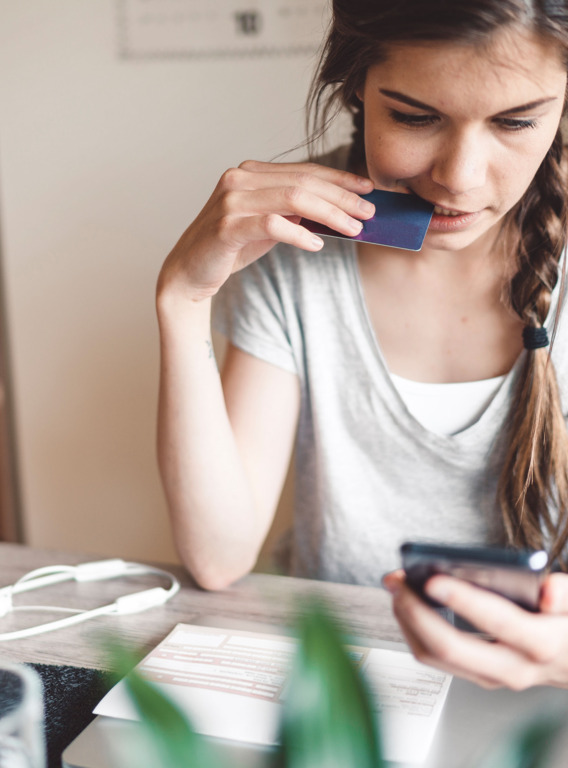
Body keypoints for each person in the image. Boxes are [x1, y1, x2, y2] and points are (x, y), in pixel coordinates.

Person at [155, 0, 568, 690]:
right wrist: (182, 299)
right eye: (415, 116)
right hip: (341, 693)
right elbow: (218, 557)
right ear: (355, 89)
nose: (459, 177)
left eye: (516, 121)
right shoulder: (291, 241)